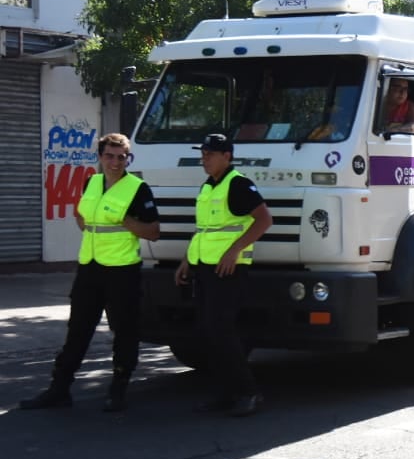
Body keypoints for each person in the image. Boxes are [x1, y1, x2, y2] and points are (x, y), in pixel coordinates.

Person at [18, 133, 160, 412]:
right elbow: (82, 216)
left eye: (122, 157)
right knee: (78, 331)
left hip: (122, 271)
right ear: (100, 156)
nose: (116, 162)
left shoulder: (138, 188)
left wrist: (127, 222)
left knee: (125, 331)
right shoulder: (92, 182)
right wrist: (89, 225)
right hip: (91, 268)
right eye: (110, 155)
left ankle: (118, 389)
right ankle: (59, 390)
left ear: (128, 159)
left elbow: (153, 232)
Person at [175, 134, 273, 417]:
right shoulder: (209, 186)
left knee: (222, 332)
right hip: (205, 266)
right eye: (203, 153)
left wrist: (234, 251)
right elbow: (204, 230)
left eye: (210, 153)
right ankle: (225, 393)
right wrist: (186, 260)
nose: (204, 158)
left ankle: (248, 392)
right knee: (208, 332)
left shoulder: (238, 183)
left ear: (226, 156)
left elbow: (264, 219)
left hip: (228, 269)